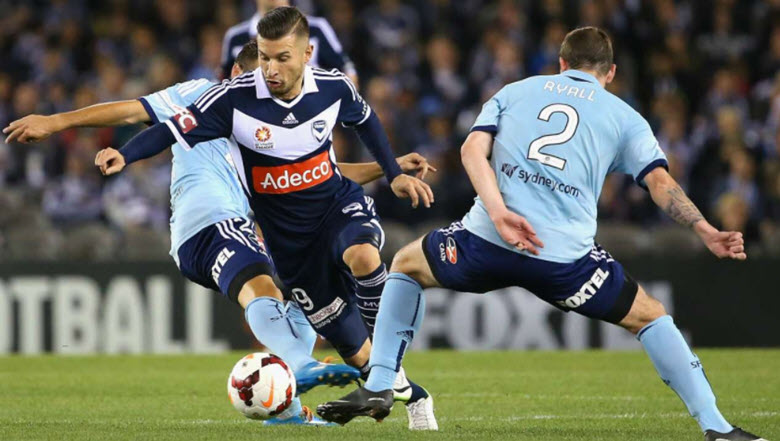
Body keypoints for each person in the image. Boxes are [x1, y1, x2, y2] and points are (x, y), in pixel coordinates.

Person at [316, 27, 768, 441]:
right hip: (565, 262)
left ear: (561, 63)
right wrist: (706, 229)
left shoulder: (516, 90)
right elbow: (661, 185)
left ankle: (379, 384)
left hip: (486, 242)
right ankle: (717, 428)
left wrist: (497, 212)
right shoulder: (626, 117)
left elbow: (472, 149)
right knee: (649, 316)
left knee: (407, 265)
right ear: (609, 72)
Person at [4, 40, 430, 426]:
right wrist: (56, 122)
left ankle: (297, 407)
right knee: (263, 288)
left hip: (239, 228)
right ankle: (299, 364)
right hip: (208, 222)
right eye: (255, 76)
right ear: (234, 76)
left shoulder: (272, 121)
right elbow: (132, 110)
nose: (264, 89)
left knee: (300, 308)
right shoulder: (204, 96)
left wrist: (388, 167)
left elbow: (318, 172)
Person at [221, 0, 357, 85]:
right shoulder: (236, 37)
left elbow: (347, 72)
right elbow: (222, 82)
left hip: (308, 117)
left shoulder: (315, 29)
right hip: (256, 124)